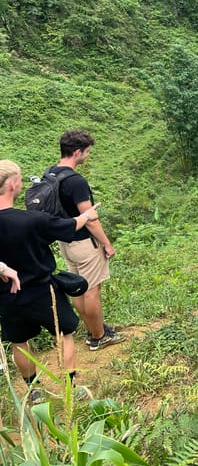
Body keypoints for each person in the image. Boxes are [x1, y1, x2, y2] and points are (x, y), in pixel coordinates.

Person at [0, 159, 101, 402]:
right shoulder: (31, 220)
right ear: (12, 185)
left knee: (19, 340)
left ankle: (33, 390)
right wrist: (87, 215)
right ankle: (69, 386)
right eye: (21, 179)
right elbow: (68, 226)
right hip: (42, 290)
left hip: (5, 294)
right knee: (64, 332)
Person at [52, 130, 123, 351]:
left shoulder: (51, 174)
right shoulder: (76, 181)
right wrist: (107, 243)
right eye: (87, 152)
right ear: (77, 152)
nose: (88, 156)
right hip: (85, 242)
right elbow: (90, 219)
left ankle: (94, 328)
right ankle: (98, 336)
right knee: (92, 289)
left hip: (65, 241)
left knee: (78, 288)